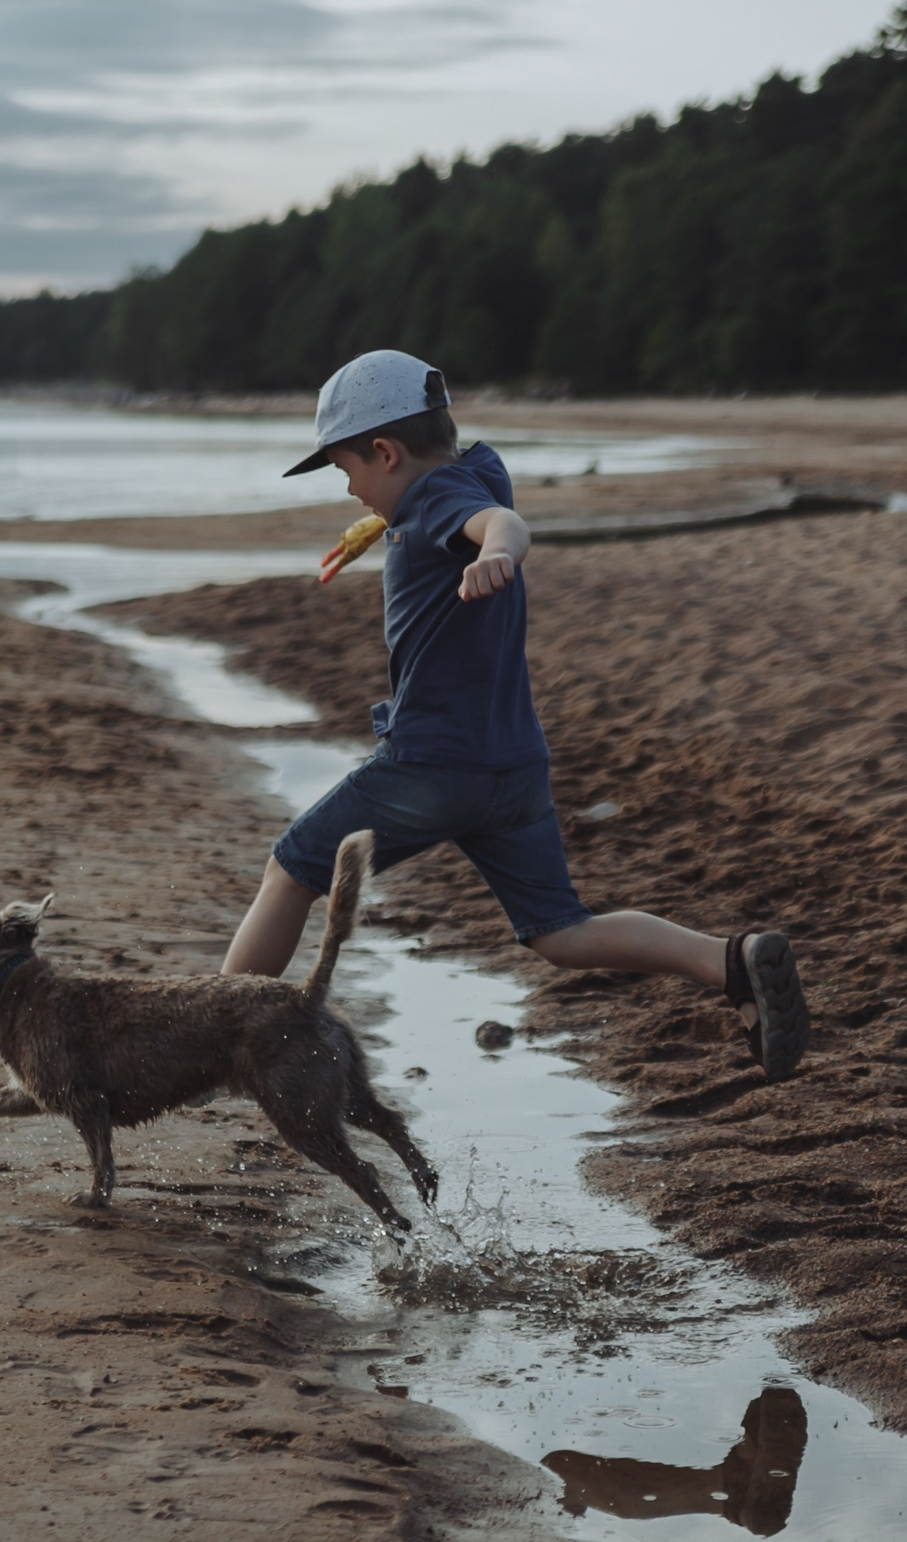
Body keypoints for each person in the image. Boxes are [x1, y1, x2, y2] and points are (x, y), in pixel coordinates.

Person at [219, 349, 810, 1079]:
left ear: (385, 451)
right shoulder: (465, 476)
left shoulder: (442, 502)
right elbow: (473, 490)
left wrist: (498, 551)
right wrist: (390, 522)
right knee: (560, 930)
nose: (349, 490)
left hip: (429, 765)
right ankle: (729, 962)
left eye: (348, 472)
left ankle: (213, 1034)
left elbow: (497, 523)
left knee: (292, 872)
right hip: (514, 771)